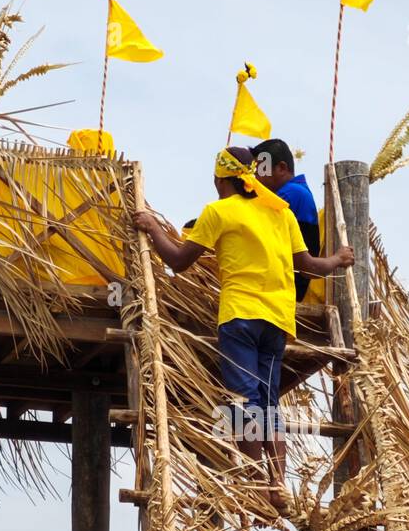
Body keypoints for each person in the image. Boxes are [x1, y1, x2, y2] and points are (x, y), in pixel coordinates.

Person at [134, 146, 354, 509]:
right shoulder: (279, 213)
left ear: (220, 180)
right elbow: (309, 265)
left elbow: (178, 260)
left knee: (240, 399)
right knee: (269, 400)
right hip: (278, 319)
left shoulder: (219, 211)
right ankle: (278, 482)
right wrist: (339, 259)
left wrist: (152, 227)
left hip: (240, 316)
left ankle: (253, 480)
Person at [251, 138, 320, 301]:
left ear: (281, 168)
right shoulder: (297, 190)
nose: (255, 176)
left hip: (286, 284)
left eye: (261, 169)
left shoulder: (290, 193)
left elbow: (254, 227)